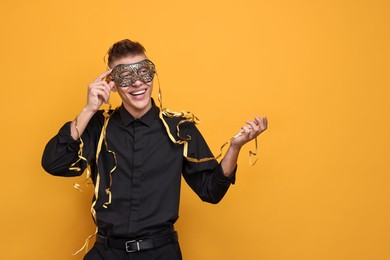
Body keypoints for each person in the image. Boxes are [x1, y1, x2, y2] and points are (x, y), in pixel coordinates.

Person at [42, 39, 268, 260]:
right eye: (125, 76)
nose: (137, 83)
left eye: (143, 72)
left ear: (152, 75)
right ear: (111, 83)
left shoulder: (180, 129)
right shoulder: (97, 126)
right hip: (106, 252)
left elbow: (211, 191)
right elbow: (55, 162)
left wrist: (234, 148)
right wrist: (88, 109)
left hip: (161, 252)